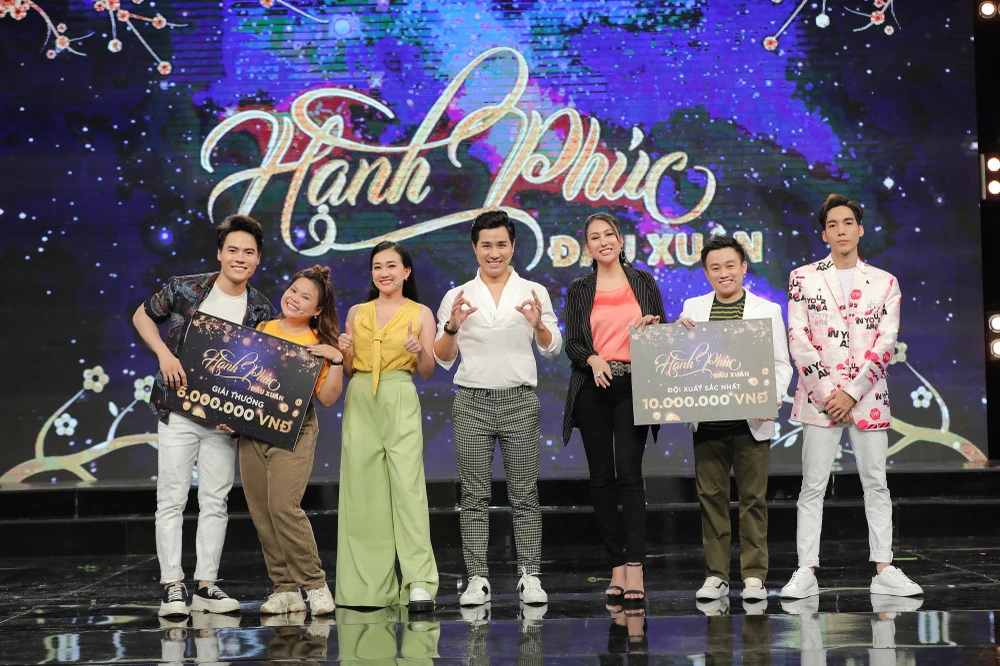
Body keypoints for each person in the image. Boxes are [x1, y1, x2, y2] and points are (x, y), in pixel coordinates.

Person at [133, 214, 277, 616]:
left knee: (216, 500)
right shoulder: (186, 288)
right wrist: (164, 354)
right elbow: (142, 315)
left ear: (257, 259)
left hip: (224, 420)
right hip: (178, 410)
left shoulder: (261, 309)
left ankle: (206, 585)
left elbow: (266, 367)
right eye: (233, 250)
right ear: (219, 253)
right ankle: (171, 586)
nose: (240, 258)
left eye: (248, 252)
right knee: (172, 498)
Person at [780, 194, 922, 599]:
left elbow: (886, 343)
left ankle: (884, 567)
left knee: (876, 483)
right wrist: (830, 394)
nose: (840, 230)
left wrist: (852, 392)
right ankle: (806, 569)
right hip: (819, 399)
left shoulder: (885, 282)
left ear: (860, 229)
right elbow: (798, 339)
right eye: (832, 224)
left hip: (868, 398)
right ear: (824, 234)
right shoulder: (803, 278)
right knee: (812, 485)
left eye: (847, 223)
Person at [432, 210, 562, 607]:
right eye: (486, 245)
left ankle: (530, 576)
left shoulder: (533, 291)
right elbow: (442, 357)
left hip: (519, 401)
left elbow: (552, 348)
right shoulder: (457, 296)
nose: (494, 252)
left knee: (524, 494)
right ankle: (478, 579)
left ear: (513, 246)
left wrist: (538, 324)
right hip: (472, 402)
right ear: (475, 248)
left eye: (501, 244)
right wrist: (452, 326)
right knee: (474, 495)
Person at [676, 235, 793, 603]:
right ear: (706, 272)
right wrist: (674, 337)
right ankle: (717, 575)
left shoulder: (766, 310)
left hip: (750, 423)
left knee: (753, 500)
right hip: (707, 423)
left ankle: (754, 576)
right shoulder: (692, 308)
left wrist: (770, 398)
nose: (723, 273)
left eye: (730, 265)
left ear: (743, 267)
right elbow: (681, 359)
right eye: (715, 267)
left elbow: (781, 364)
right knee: (711, 500)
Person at [563, 212, 667, 606]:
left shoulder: (643, 281)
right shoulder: (579, 288)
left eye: (609, 234)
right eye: (595, 237)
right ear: (587, 247)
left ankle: (636, 565)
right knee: (602, 479)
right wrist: (592, 358)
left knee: (629, 474)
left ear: (621, 241)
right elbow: (573, 342)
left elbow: (661, 333)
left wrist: (652, 329)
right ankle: (616, 566)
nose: (603, 241)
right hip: (593, 386)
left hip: (634, 386)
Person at [335, 241, 440, 611]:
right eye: (377, 266)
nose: (384, 273)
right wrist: (346, 353)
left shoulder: (421, 313)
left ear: (406, 271)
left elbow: (427, 371)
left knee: (408, 489)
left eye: (392, 266)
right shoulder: (357, 312)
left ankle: (419, 582)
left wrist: (419, 350)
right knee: (363, 492)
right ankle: (368, 587)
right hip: (361, 396)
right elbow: (349, 371)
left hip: (399, 392)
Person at [238, 266, 344, 616]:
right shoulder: (261, 330)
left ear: (317, 309)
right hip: (253, 429)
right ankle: (285, 589)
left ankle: (315, 585)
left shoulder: (317, 344)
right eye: (293, 290)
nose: (294, 299)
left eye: (305, 297)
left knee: (284, 506)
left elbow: (327, 398)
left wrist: (336, 359)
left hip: (293, 431)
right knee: (262, 512)